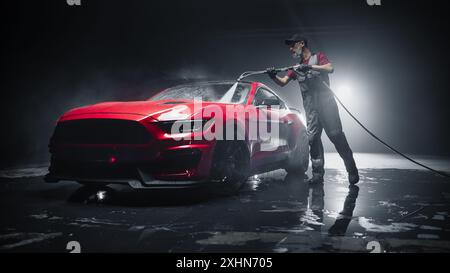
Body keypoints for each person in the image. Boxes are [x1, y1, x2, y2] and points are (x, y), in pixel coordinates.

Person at [267, 34, 359, 184]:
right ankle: (317, 175)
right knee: (313, 139)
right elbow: (283, 81)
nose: (291, 49)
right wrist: (273, 76)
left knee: (336, 136)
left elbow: (330, 68)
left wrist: (309, 66)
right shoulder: (295, 68)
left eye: (293, 45)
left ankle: (351, 168)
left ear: (302, 43)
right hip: (311, 109)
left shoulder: (318, 57)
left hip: (327, 105)